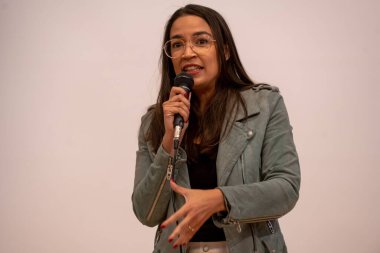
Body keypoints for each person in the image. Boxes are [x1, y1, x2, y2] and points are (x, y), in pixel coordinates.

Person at [132, 4, 300, 253]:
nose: (187, 53)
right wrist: (168, 140)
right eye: (177, 44)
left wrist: (219, 199)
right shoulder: (154, 122)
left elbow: (286, 188)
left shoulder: (264, 105)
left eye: (200, 41)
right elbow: (146, 212)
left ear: (225, 51)